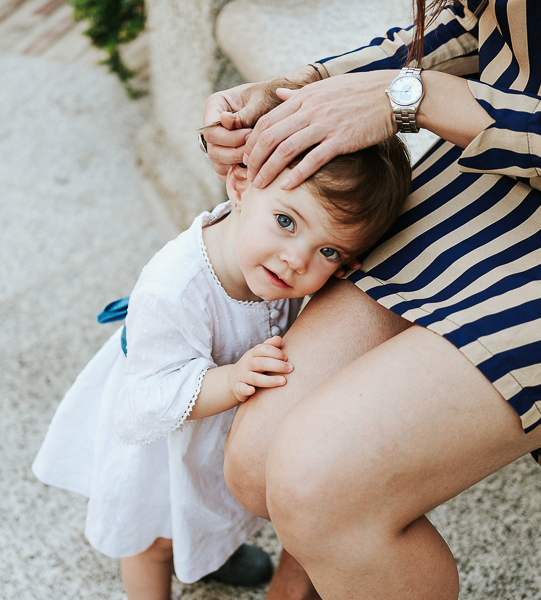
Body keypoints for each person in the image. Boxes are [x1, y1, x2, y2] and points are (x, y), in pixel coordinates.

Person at [201, 0, 541, 598]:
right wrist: (304, 92)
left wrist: (418, 100)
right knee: (255, 463)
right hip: (509, 168)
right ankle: (321, 562)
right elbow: (484, 27)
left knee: (316, 483)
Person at [31, 84, 412, 600]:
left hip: (218, 430)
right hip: (165, 437)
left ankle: (210, 553)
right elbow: (141, 406)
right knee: (154, 541)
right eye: (285, 221)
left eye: (329, 251)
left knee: (213, 510)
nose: (295, 260)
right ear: (240, 182)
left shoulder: (270, 263)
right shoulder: (175, 288)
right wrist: (231, 380)